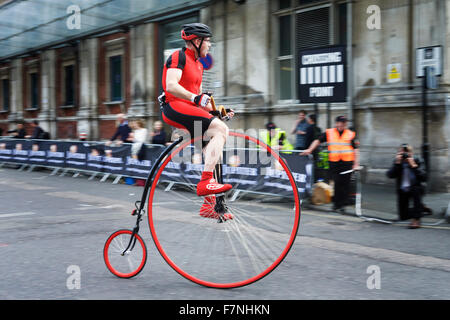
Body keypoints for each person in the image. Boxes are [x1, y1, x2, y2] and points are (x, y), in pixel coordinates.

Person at [160, 23, 234, 220]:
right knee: (221, 130)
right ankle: (205, 182)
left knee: (214, 154)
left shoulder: (200, 65)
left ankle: (210, 206)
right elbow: (171, 85)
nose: (209, 45)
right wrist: (194, 98)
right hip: (174, 106)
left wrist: (219, 111)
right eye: (207, 41)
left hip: (191, 110)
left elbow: (201, 99)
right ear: (196, 41)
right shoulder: (179, 56)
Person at [302, 115, 360, 213]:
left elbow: (356, 149)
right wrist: (310, 149)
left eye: (344, 123)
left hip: (347, 163)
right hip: (334, 162)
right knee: (337, 183)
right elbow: (317, 141)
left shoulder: (351, 134)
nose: (342, 124)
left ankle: (342, 205)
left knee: (345, 184)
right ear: (336, 123)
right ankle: (336, 205)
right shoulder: (329, 133)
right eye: (341, 123)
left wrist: (356, 164)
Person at [386, 144, 428, 229]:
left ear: (411, 153)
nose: (404, 154)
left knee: (416, 189)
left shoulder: (418, 160)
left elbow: (424, 177)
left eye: (406, 152)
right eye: (402, 152)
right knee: (403, 217)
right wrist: (397, 164)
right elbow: (390, 175)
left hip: (415, 188)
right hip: (403, 190)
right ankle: (420, 208)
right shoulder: (397, 162)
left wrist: (414, 166)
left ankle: (416, 220)